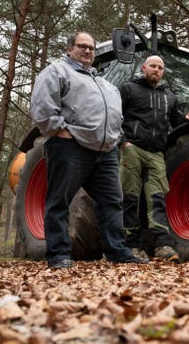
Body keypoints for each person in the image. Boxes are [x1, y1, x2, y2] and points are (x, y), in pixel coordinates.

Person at [30, 31, 149, 268]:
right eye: (82, 46)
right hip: (70, 146)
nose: (87, 51)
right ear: (69, 49)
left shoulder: (104, 83)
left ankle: (116, 251)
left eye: (91, 48)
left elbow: (116, 114)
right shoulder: (57, 71)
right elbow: (42, 106)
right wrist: (60, 132)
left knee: (112, 202)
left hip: (105, 152)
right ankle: (59, 254)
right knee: (60, 200)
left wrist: (113, 139)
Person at [118, 55, 189, 261]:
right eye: (153, 66)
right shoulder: (128, 89)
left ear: (163, 72)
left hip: (156, 153)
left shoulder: (169, 97)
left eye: (160, 67)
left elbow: (175, 122)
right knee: (131, 197)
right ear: (144, 68)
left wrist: (188, 119)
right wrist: (123, 142)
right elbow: (114, 116)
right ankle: (131, 245)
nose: (157, 70)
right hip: (132, 148)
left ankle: (162, 244)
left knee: (158, 198)